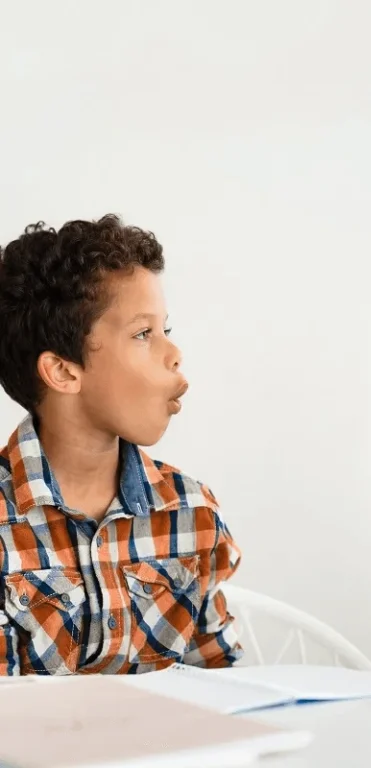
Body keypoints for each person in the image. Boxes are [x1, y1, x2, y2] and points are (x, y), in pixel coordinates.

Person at [0, 215, 242, 674]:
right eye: (142, 334)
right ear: (64, 372)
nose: (174, 353)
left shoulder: (191, 511)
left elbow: (221, 686)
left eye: (164, 330)